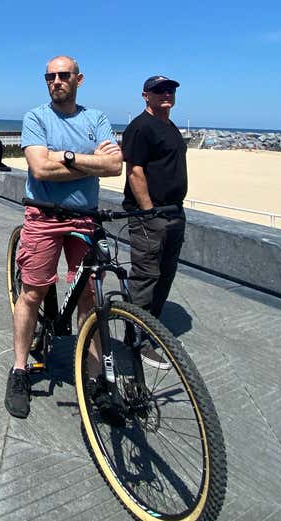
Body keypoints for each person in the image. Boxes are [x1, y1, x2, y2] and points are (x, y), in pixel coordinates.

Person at [5, 56, 122, 419]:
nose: (56, 81)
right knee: (33, 292)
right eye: (50, 76)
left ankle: (97, 379)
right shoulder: (35, 117)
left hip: (84, 218)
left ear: (79, 79)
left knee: (90, 296)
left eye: (63, 75)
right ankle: (20, 369)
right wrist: (88, 160)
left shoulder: (96, 118)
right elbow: (39, 168)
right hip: (43, 215)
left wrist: (66, 157)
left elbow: (115, 166)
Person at [122, 76, 187, 370]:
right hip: (151, 214)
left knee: (165, 274)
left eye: (170, 90)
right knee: (146, 276)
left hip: (174, 212)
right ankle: (138, 340)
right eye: (160, 90)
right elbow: (134, 170)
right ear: (145, 95)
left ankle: (152, 328)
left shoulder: (170, 126)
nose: (166, 94)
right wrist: (148, 211)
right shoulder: (140, 126)